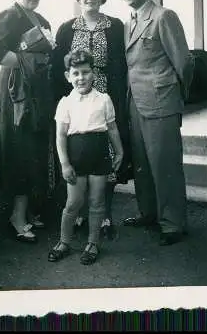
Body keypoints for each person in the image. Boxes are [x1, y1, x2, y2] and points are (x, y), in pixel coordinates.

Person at [52, 0, 131, 238]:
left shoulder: (115, 26)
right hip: (76, 99)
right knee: (79, 154)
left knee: (104, 156)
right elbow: (58, 68)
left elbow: (121, 64)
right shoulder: (66, 29)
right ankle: (81, 214)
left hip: (106, 94)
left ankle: (104, 214)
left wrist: (118, 99)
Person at [121, 0, 195, 246]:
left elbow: (184, 62)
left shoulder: (164, 16)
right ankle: (149, 213)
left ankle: (173, 223)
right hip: (136, 104)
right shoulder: (129, 23)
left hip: (161, 102)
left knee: (165, 164)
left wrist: (176, 96)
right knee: (142, 163)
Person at [0, 0, 55, 243]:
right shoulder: (8, 17)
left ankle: (29, 212)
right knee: (18, 149)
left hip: (35, 92)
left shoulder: (40, 19)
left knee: (35, 149)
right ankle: (17, 216)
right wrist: (31, 62)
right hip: (15, 90)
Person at [48, 49, 124, 265]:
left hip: (99, 157)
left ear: (93, 74)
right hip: (75, 159)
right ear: (68, 76)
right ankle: (64, 241)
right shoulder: (65, 103)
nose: (81, 77)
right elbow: (60, 136)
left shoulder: (104, 99)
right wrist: (64, 164)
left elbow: (112, 128)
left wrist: (119, 151)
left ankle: (92, 243)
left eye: (85, 72)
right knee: (73, 203)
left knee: (97, 202)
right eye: (76, 73)